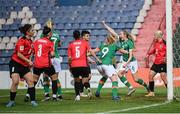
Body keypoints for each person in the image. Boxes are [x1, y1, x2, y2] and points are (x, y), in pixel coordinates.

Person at [95, 21, 135, 97]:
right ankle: (116, 95)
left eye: (120, 34)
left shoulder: (106, 44)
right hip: (110, 61)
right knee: (115, 77)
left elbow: (111, 32)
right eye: (118, 35)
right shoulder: (116, 42)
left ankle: (98, 91)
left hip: (103, 62)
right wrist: (105, 25)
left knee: (106, 76)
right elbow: (111, 31)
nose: (119, 35)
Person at [6, 24, 38, 107]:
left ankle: (33, 101)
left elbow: (31, 54)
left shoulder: (31, 42)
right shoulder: (21, 41)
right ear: (27, 32)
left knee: (31, 81)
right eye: (32, 30)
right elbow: (19, 54)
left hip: (24, 65)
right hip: (15, 64)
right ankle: (11, 101)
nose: (33, 31)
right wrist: (28, 61)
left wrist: (29, 62)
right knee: (15, 81)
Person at [68, 30, 101, 101]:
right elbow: (91, 52)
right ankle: (84, 90)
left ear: (73, 36)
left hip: (74, 65)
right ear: (80, 36)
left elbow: (70, 58)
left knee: (77, 80)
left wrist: (70, 66)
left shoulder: (71, 44)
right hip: (83, 64)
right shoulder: (84, 43)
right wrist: (97, 59)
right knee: (86, 78)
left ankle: (77, 96)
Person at [93, 34, 126, 100]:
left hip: (99, 65)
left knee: (105, 76)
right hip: (107, 64)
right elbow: (124, 52)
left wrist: (86, 54)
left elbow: (93, 51)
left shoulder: (102, 45)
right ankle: (115, 96)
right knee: (115, 79)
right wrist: (129, 51)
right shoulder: (115, 45)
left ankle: (97, 92)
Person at [33, 26, 58, 100]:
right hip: (46, 64)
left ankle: (28, 95)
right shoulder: (50, 42)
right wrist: (50, 55)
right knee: (54, 78)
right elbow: (53, 54)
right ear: (49, 34)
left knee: (34, 81)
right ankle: (54, 96)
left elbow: (34, 51)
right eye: (51, 33)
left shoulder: (37, 41)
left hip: (37, 63)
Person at [41, 19, 63, 101]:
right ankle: (59, 94)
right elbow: (60, 44)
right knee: (55, 77)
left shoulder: (44, 35)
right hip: (56, 57)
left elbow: (41, 43)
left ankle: (47, 95)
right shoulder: (57, 34)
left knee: (45, 76)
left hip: (48, 58)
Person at [145, 30, 167, 97]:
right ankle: (152, 92)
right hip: (156, 62)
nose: (154, 36)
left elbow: (168, 51)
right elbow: (154, 50)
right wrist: (148, 54)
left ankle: (170, 92)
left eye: (155, 35)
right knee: (150, 75)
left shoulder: (164, 43)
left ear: (158, 36)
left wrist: (166, 58)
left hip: (162, 63)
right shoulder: (156, 42)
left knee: (163, 77)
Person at [79, 30, 95, 97]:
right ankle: (81, 91)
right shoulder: (82, 44)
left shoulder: (86, 43)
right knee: (84, 78)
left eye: (89, 36)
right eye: (87, 36)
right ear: (83, 37)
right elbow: (84, 55)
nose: (89, 37)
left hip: (86, 63)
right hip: (82, 63)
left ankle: (85, 90)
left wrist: (89, 60)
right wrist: (91, 59)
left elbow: (86, 54)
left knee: (88, 77)